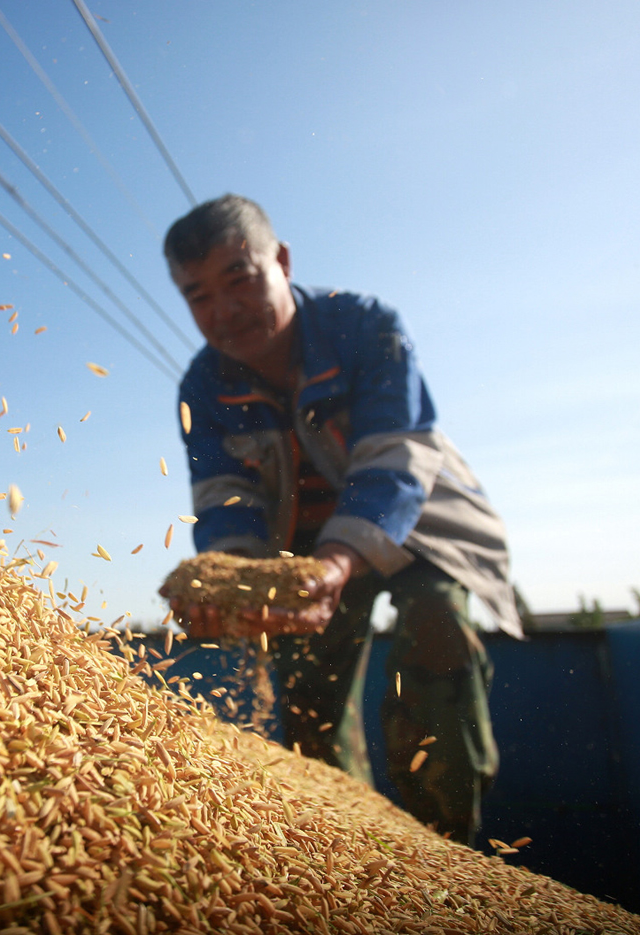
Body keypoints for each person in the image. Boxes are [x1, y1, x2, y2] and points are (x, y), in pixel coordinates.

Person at [160, 194, 522, 845]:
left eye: (239, 281)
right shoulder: (202, 386)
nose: (223, 311)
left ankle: (447, 845)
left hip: (414, 531)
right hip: (300, 555)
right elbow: (224, 498)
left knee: (435, 621)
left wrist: (339, 559)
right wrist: (233, 583)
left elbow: (394, 455)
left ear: (282, 261)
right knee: (307, 695)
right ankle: (347, 851)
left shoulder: (364, 326)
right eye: (198, 296)